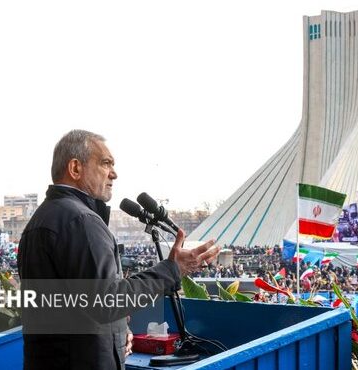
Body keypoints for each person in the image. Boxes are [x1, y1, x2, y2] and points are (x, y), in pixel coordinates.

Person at [18, 130, 220, 370]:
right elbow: (107, 301)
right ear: (75, 168)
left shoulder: (40, 220)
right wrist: (172, 270)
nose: (114, 173)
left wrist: (117, 333)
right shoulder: (81, 221)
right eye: (105, 164)